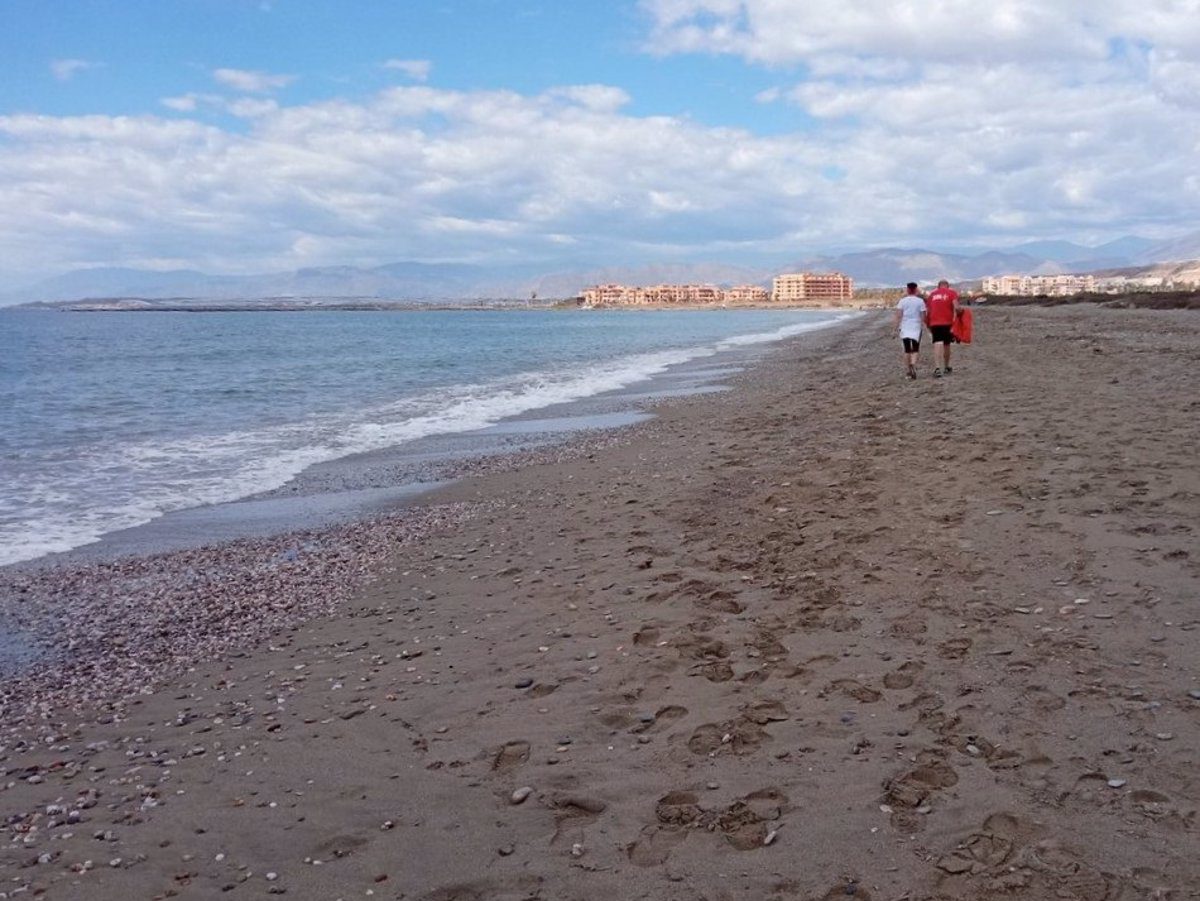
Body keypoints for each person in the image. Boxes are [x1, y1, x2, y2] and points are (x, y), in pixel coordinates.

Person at [924, 279, 960, 377]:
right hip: (947, 323)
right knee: (947, 344)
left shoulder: (932, 295)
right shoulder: (951, 293)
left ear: (938, 286)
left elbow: (928, 311)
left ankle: (937, 368)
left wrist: (927, 324)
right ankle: (947, 366)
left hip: (934, 323)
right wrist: (961, 315)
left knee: (937, 343)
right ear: (947, 286)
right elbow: (956, 307)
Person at [893, 282, 927, 379]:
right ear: (916, 290)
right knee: (915, 349)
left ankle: (908, 370)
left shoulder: (902, 301)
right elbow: (923, 316)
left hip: (905, 327)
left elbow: (898, 315)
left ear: (907, 290)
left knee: (907, 350)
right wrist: (923, 325)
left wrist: (894, 329)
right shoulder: (920, 301)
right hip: (916, 327)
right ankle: (913, 364)